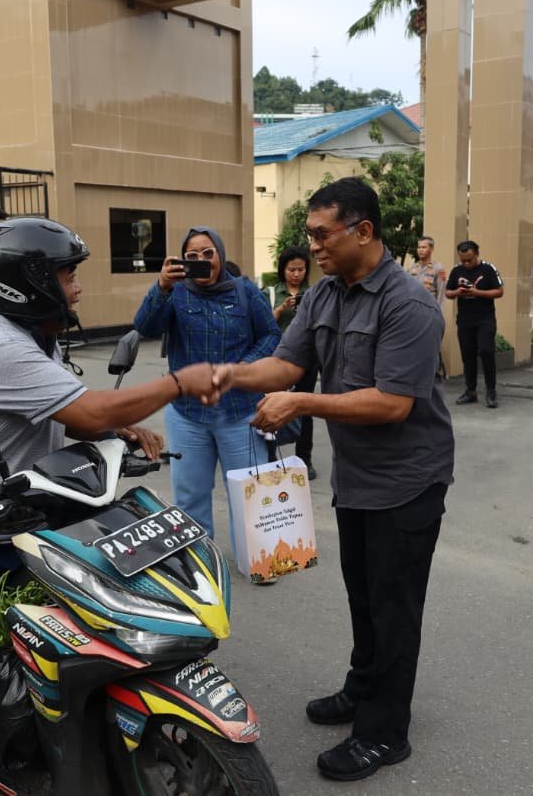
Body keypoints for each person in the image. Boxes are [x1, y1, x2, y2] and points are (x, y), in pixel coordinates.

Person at [0, 218, 221, 794]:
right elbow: (90, 410)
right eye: (67, 275)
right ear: (29, 282)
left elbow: (64, 414)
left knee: (87, 640)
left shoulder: (30, 334)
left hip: (23, 519)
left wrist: (119, 430)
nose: (76, 287)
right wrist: (177, 384)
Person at [214, 177, 454, 782]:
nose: (313, 246)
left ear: (363, 231)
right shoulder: (326, 295)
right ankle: (363, 686)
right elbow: (287, 363)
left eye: (323, 235)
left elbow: (392, 403)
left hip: (407, 482)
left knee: (394, 607)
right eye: (310, 235)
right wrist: (229, 374)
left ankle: (384, 733)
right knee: (363, 595)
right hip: (357, 479)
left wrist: (300, 403)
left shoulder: (408, 303)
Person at [132, 226, 279, 545]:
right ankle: (199, 560)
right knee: (189, 499)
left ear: (221, 255)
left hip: (241, 413)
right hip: (187, 416)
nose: (201, 260)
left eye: (208, 253)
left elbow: (271, 334)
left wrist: (246, 366)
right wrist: (161, 286)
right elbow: (144, 326)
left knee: (251, 496)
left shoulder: (244, 290)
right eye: (192, 255)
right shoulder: (176, 293)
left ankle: (256, 559)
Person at [268, 245, 318, 479]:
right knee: (271, 405)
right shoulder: (270, 293)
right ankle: (270, 457)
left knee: (305, 408)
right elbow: (264, 324)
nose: (296, 274)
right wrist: (281, 308)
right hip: (277, 360)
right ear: (283, 270)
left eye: (301, 269)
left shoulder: (315, 293)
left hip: (307, 360)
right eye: (291, 270)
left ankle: (304, 460)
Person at [445, 240, 504, 408]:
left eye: (469, 260)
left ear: (477, 254)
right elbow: (448, 292)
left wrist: (477, 292)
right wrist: (457, 292)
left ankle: (491, 391)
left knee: (486, 351)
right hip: (465, 320)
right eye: (463, 260)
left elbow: (499, 291)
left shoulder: (488, 269)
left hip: (485, 319)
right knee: (468, 355)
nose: (466, 263)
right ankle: (470, 391)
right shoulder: (457, 270)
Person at [407, 235, 446, 303]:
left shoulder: (438, 268)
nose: (420, 250)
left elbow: (441, 293)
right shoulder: (412, 268)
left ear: (431, 249)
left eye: (424, 247)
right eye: (419, 247)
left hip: (429, 306)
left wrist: (438, 309)